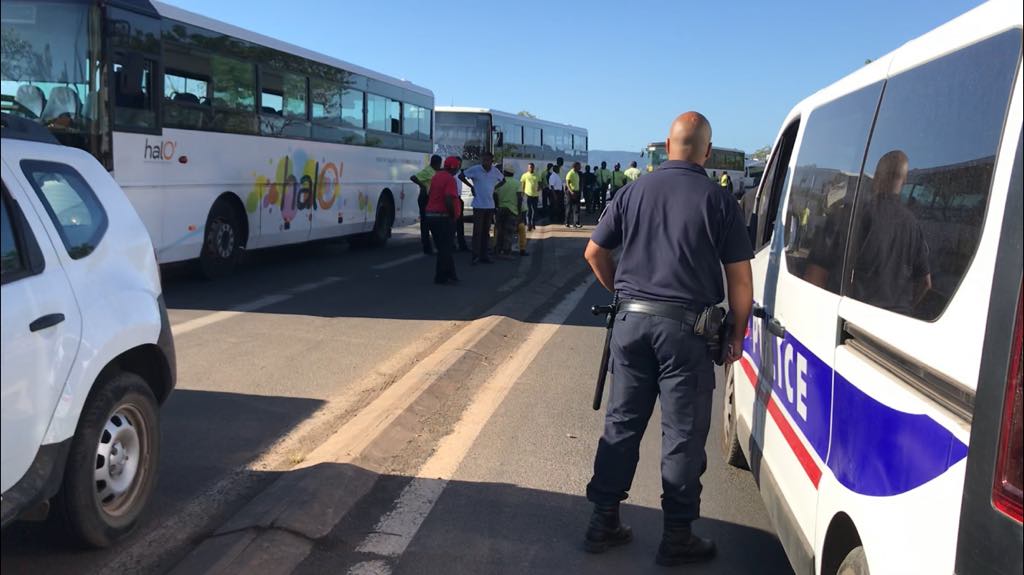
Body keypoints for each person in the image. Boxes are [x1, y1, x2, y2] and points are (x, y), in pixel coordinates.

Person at [581, 112, 753, 567]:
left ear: (667, 146)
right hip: (687, 333)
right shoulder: (720, 202)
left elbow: (594, 251)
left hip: (631, 325)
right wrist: (737, 332)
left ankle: (603, 521)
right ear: (707, 153)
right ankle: (676, 536)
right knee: (681, 435)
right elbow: (739, 280)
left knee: (622, 424)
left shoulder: (631, 191)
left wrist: (623, 291)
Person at [804, 149, 931, 315]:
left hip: (854, 321)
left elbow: (815, 276)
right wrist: (904, 309)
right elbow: (926, 283)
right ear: (905, 180)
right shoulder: (914, 226)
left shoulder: (849, 215)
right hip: (898, 324)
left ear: (876, 176)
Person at [460, 152, 505, 264]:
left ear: (491, 161)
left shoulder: (495, 171)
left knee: (486, 231)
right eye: (484, 160)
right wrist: (471, 186)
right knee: (477, 231)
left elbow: (503, 180)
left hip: (489, 205)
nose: (486, 162)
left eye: (488, 160)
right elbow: (461, 176)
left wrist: (495, 187)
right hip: (478, 205)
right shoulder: (475, 169)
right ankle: (475, 255)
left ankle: (484, 255)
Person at [424, 156, 463, 284]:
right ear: (454, 167)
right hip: (443, 217)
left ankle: (451, 274)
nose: (458, 169)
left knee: (443, 247)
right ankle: (440, 277)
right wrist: (452, 215)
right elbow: (448, 198)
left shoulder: (437, 176)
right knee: (445, 248)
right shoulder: (450, 179)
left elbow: (430, 193)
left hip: (431, 215)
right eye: (458, 167)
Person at [411, 155, 442, 254]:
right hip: (425, 198)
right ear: (436, 163)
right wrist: (422, 186)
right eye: (439, 164)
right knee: (425, 223)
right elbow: (413, 177)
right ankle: (427, 247)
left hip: (430, 198)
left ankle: (432, 246)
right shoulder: (428, 170)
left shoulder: (435, 171)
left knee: (431, 222)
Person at [494, 164, 520, 257]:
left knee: (500, 231)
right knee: (509, 232)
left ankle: (498, 250)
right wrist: (519, 212)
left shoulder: (499, 183)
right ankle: (506, 252)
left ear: (504, 173)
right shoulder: (517, 183)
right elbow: (519, 198)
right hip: (512, 210)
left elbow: (495, 195)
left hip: (500, 209)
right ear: (513, 174)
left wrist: (496, 207)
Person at [521, 162, 542, 230]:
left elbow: (540, 183)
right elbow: (523, 184)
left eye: (532, 167)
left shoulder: (537, 175)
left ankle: (533, 223)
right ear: (528, 168)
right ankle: (528, 224)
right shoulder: (524, 175)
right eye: (530, 167)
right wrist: (522, 192)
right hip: (528, 194)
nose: (531, 168)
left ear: (534, 168)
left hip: (535, 195)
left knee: (534, 210)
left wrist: (539, 187)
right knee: (528, 210)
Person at [565, 161, 582, 228]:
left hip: (577, 192)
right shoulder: (570, 173)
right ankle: (567, 222)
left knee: (577, 208)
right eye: (579, 166)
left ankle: (576, 223)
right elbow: (567, 183)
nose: (580, 167)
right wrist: (571, 191)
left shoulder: (577, 173)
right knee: (569, 208)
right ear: (575, 166)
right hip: (571, 193)